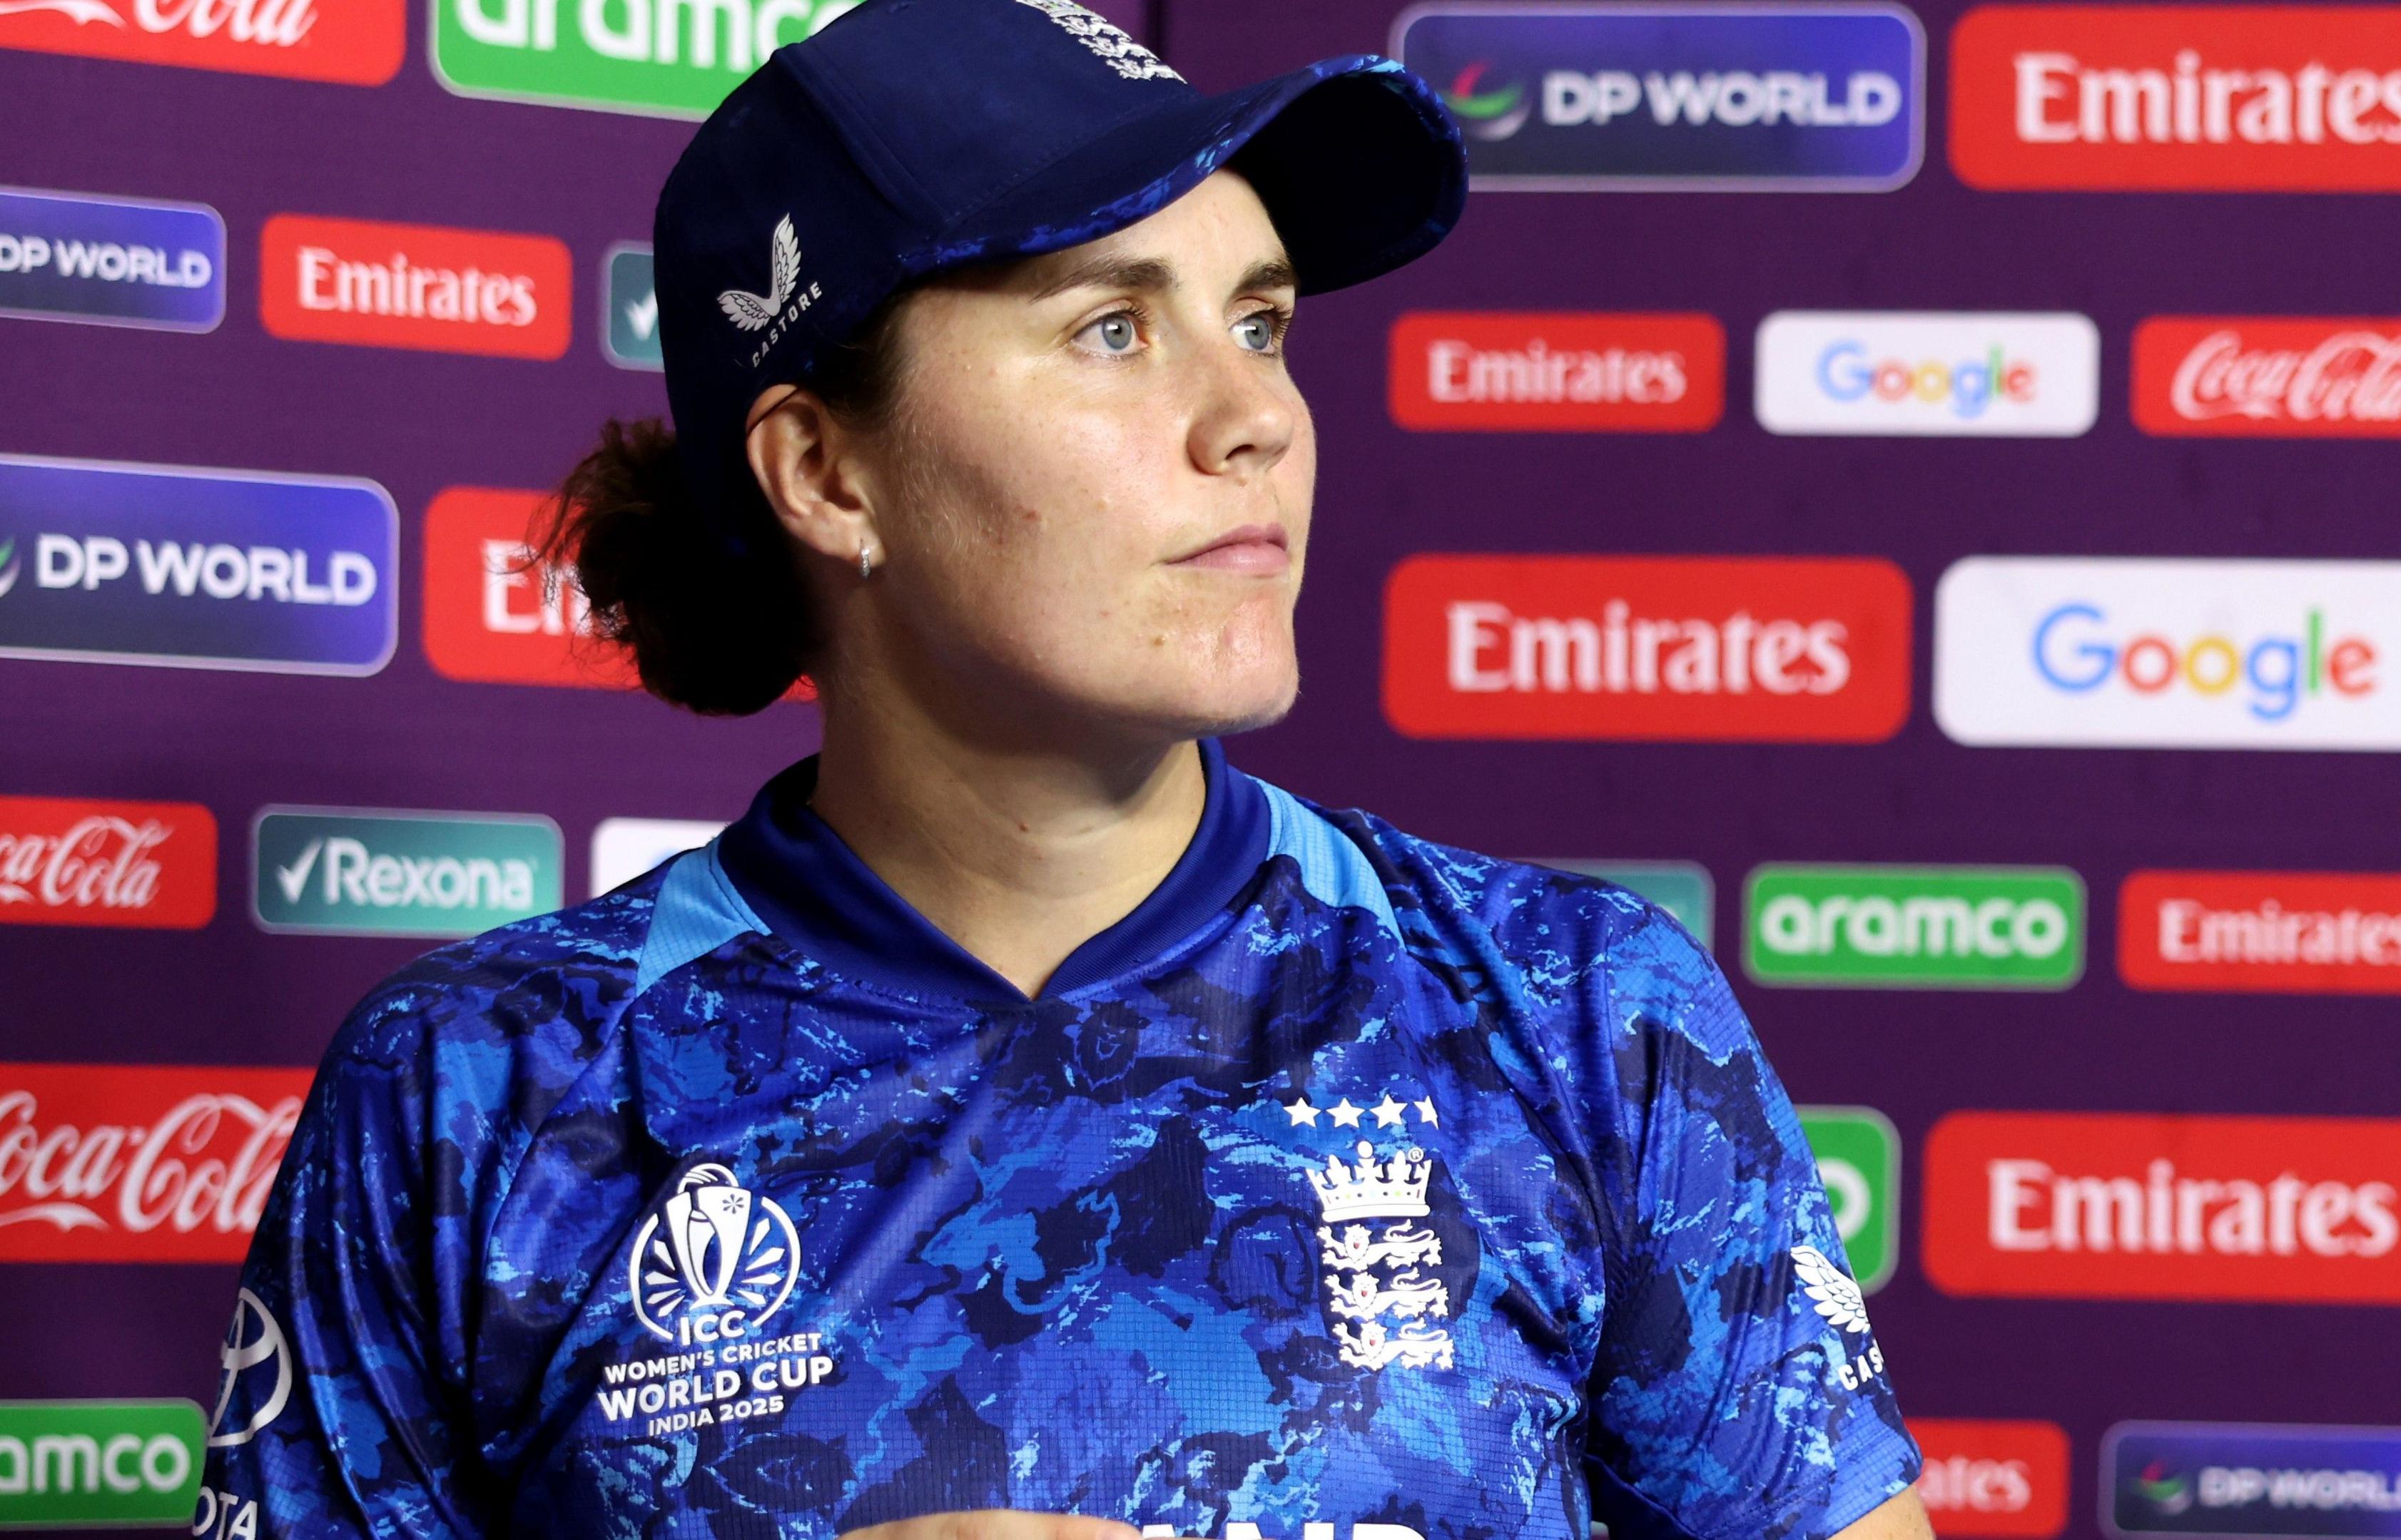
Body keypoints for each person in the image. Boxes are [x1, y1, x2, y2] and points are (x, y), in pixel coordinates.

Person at [197, 3, 1934, 1539]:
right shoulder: (478, 1091)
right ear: (828, 476)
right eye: (1114, 329)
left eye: (1260, 323)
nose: (1253, 416)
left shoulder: (1576, 1013)